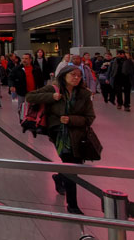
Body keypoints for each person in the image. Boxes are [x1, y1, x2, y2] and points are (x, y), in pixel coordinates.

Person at [26, 65, 95, 215]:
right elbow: (30, 97)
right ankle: (72, 204)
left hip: (77, 134)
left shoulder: (84, 94)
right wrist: (51, 97)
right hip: (58, 132)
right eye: (73, 75)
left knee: (73, 164)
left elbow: (90, 118)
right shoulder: (54, 89)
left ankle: (59, 177)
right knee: (71, 165)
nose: (76, 78)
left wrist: (72, 120)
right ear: (64, 76)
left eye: (79, 75)